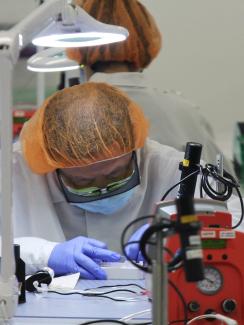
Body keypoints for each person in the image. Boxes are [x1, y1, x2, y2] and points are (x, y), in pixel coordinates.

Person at [66, 0, 234, 174]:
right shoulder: (183, 112)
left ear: (77, 47)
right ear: (145, 41)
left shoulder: (66, 117)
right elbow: (227, 189)